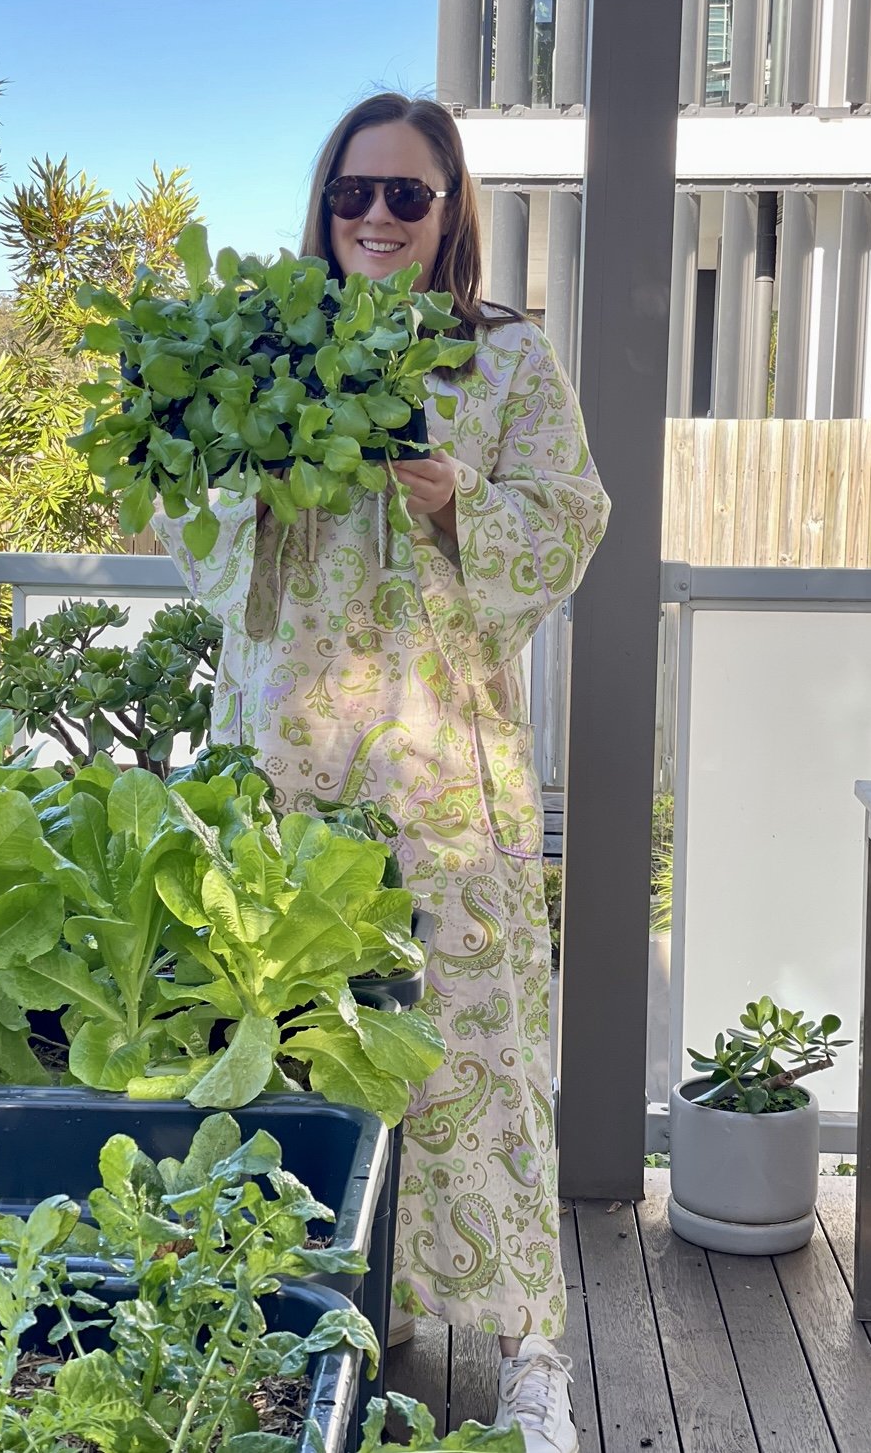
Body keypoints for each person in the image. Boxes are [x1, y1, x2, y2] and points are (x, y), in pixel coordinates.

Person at [153, 91, 609, 1453]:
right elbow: (195, 517)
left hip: (446, 769)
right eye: (353, 192)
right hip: (296, 758)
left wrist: (457, 500)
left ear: (447, 208)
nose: (374, 217)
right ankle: (353, 1300)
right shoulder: (272, 353)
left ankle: (531, 1349)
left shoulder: (506, 359)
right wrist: (258, 477)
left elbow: (571, 515)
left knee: (475, 1039)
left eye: (405, 196)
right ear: (324, 204)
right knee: (305, 1041)